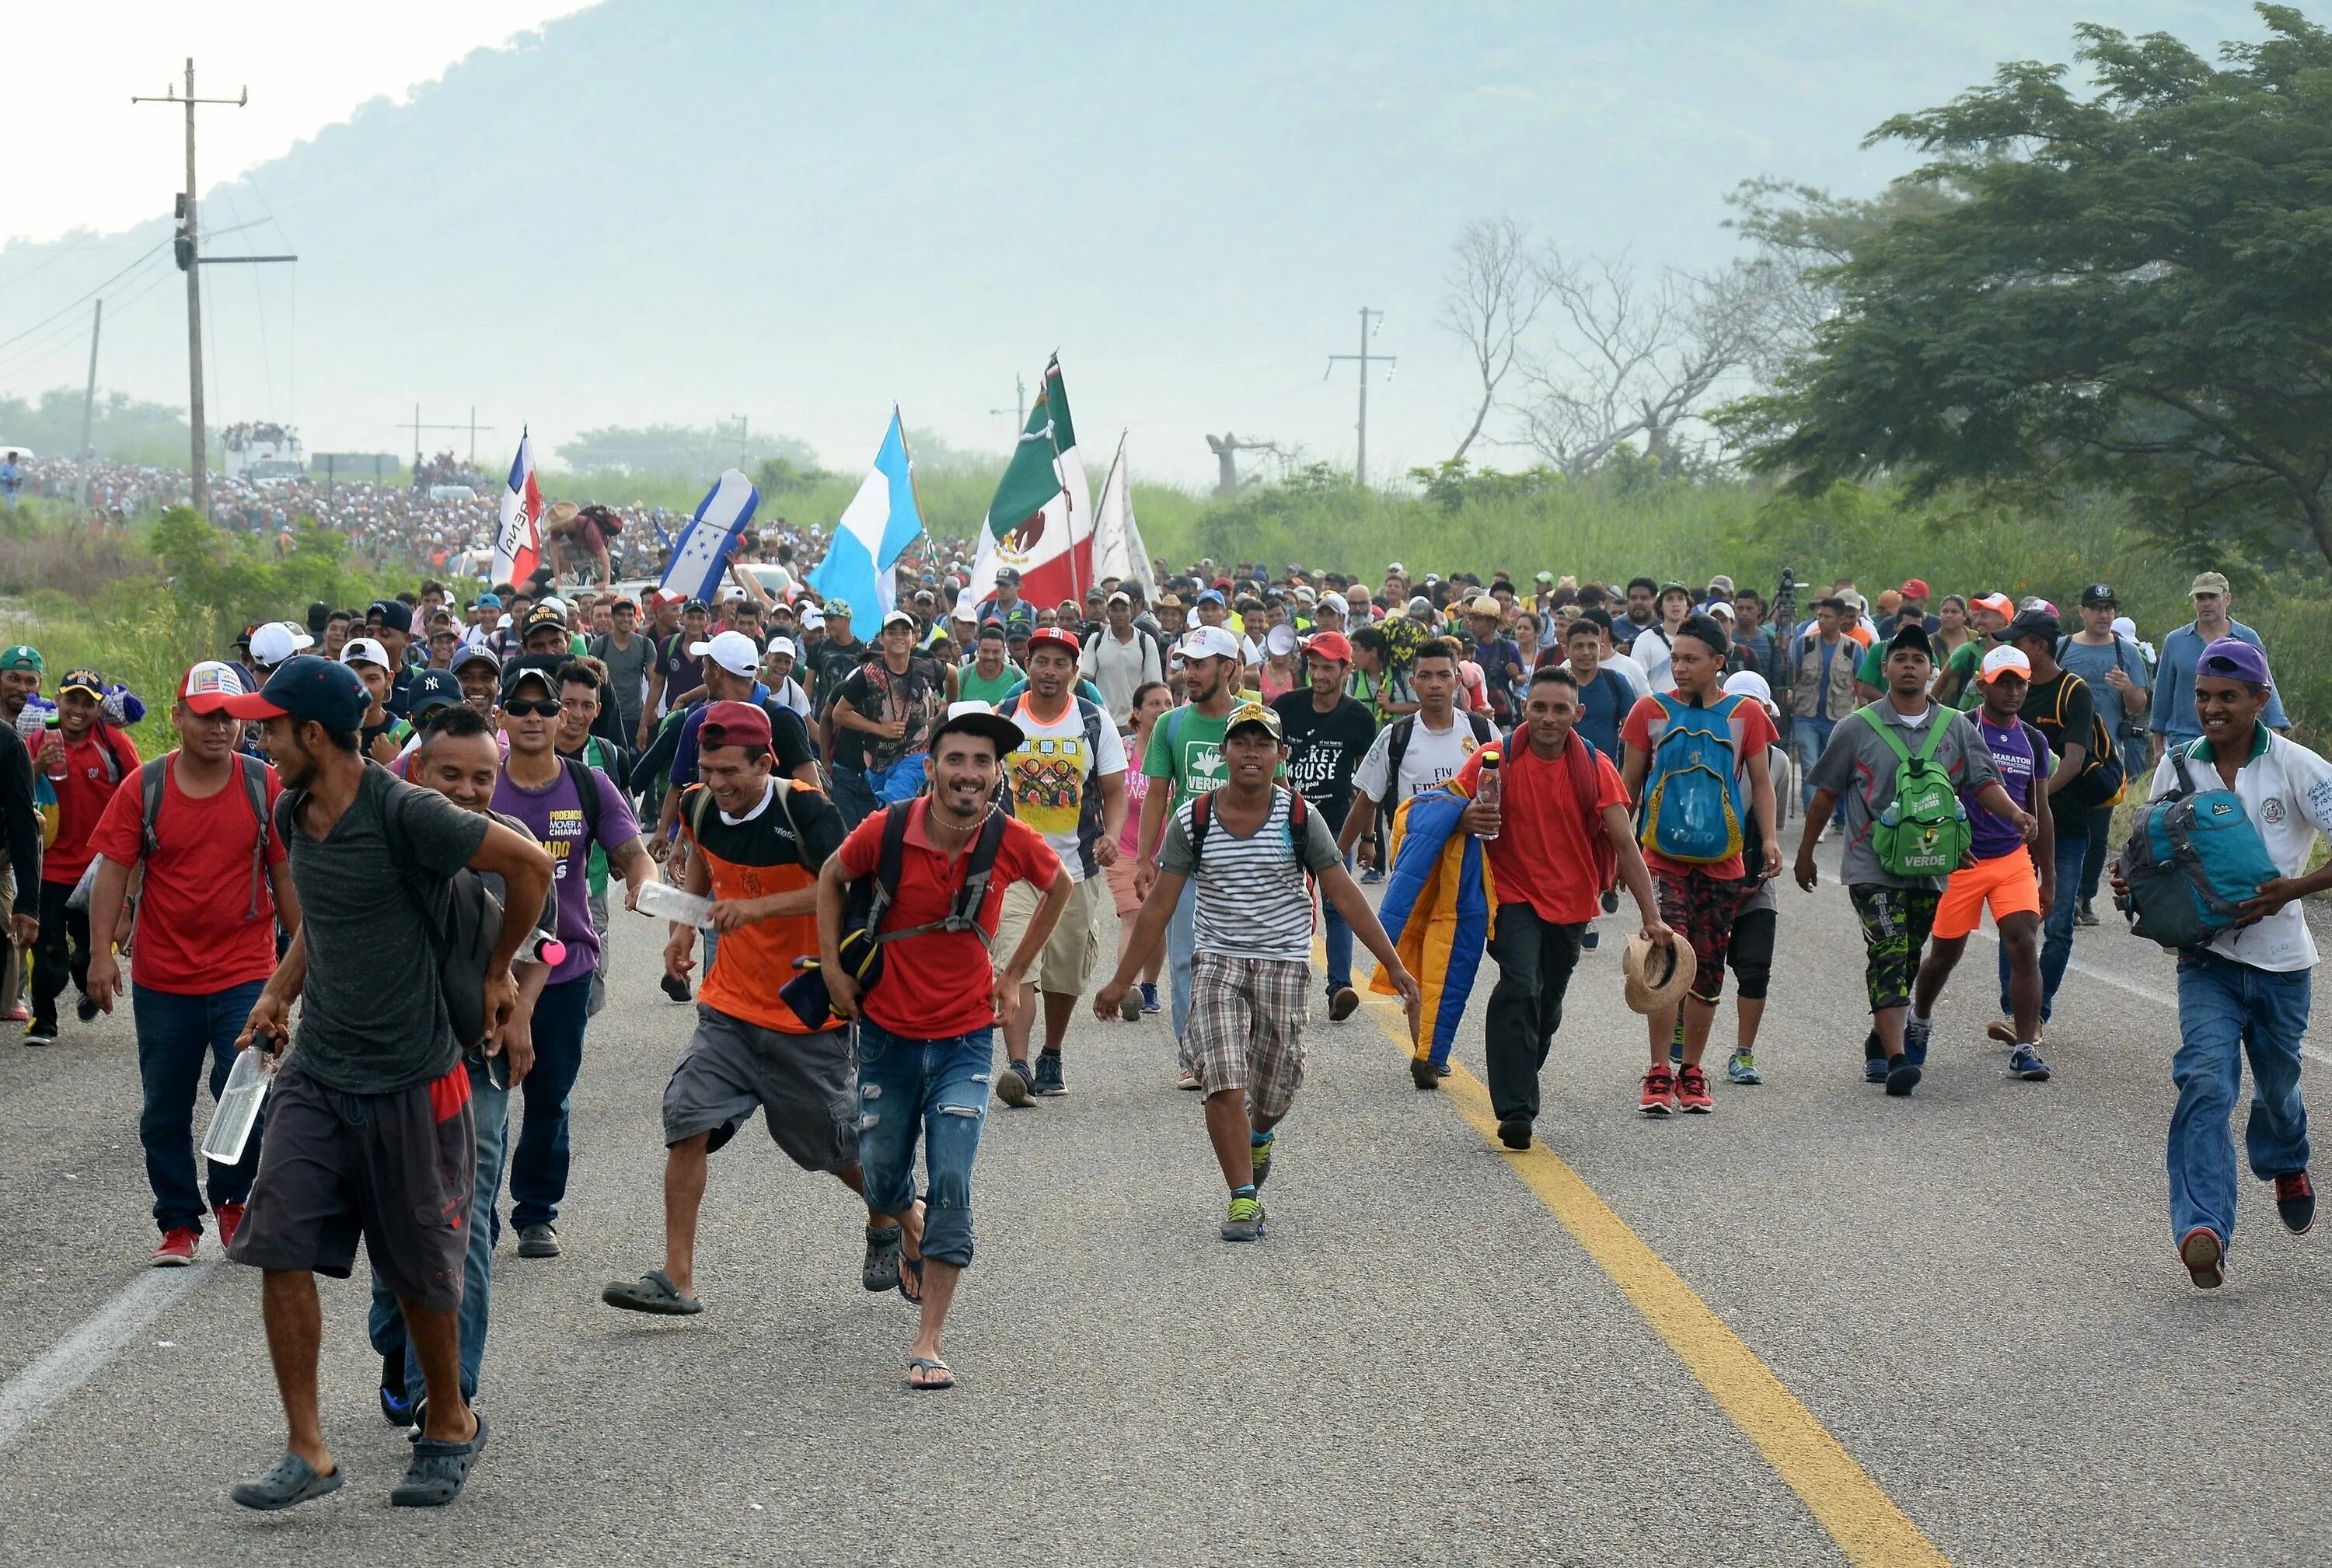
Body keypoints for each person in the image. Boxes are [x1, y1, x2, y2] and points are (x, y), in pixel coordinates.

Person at [221, 656, 551, 1510]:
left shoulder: (409, 813)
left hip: (415, 1080)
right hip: (319, 1073)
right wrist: (276, 992)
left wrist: (492, 974)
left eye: (270, 726)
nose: (261, 740)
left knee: (422, 1275)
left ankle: (451, 1422)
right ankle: (308, 1449)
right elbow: (324, 920)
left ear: (314, 734)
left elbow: (531, 868)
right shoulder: (294, 808)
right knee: (277, 1246)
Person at [602, 700, 892, 1317]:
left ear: (767, 761)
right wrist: (683, 928)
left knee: (834, 1148)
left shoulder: (807, 809)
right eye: (707, 769)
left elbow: (842, 885)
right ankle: (677, 1277)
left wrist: (758, 909)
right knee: (686, 1118)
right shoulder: (702, 806)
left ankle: (899, 1215)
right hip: (729, 1006)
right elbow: (706, 861)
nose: (717, 783)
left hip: (804, 1012)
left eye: (731, 770)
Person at [1097, 701, 1419, 1241]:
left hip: (1284, 964)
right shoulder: (1193, 819)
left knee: (1275, 1086)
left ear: (1280, 754)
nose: (1251, 753)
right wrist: (1122, 978)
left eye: (1262, 743)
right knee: (1222, 1075)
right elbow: (1158, 907)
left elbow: (1342, 891)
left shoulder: (1300, 816)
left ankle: (1261, 1132)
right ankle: (1243, 1198)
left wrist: (1392, 964)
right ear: (1222, 753)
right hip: (1218, 960)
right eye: (1240, 743)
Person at [818, 701, 1070, 1390]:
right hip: (887, 1036)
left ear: (996, 775)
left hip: (964, 1039)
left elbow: (1062, 885)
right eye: (955, 759)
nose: (968, 773)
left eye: (982, 762)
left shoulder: (1009, 838)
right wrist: (834, 971)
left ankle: (928, 1338)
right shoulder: (888, 827)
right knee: (881, 1171)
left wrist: (1013, 973)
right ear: (929, 767)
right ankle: (906, 1223)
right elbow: (831, 878)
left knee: (953, 1178)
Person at [365, 700, 556, 1429]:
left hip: (474, 1063)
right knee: (391, 1226)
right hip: (387, 1064)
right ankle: (400, 1345)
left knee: (463, 1219)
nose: (469, 791)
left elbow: (552, 944)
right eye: (451, 774)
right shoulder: (381, 840)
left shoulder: (512, 844)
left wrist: (516, 1004)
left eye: (483, 778)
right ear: (416, 770)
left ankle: (446, 1393)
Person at [2121, 638, 2332, 1290]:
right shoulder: (2179, 765)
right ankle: (2203, 1228)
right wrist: (2128, 880)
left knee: (2277, 1090)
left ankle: (2286, 1158)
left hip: (2282, 965)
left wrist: (2290, 890)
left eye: (2228, 697)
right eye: (2204, 697)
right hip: (2206, 960)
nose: (2213, 709)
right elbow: (2149, 845)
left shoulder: (2300, 766)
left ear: (2260, 700)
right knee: (2206, 1081)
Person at [83, 662, 298, 1265]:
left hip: (245, 973)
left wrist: (303, 967)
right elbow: (114, 872)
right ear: (178, 716)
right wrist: (100, 953)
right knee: (165, 1107)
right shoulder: (145, 786)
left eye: (229, 716)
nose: (218, 727)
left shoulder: (264, 786)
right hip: (164, 978)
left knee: (243, 1093)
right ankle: (178, 1221)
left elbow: (285, 876)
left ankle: (233, 1199)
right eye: (205, 714)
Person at [1796, 626, 2028, 1097]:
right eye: (1898, 658)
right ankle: (1898, 1058)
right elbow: (1825, 793)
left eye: (1917, 659)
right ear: (1885, 670)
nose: (1907, 666)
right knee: (1887, 947)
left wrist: (2016, 813)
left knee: (1907, 958)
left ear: (1930, 670)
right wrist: (1805, 854)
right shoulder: (1857, 727)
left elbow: (1983, 783)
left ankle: (1880, 1039)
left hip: (1928, 867)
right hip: (1869, 866)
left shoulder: (1956, 727)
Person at [1462, 669, 1671, 1146]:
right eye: (1539, 707)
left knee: (1547, 1005)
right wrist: (1463, 815)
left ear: (1578, 714)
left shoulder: (1594, 767)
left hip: (1573, 905)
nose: (1548, 718)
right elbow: (1445, 808)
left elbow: (1624, 843)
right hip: (1511, 897)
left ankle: (1519, 1065)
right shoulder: (1494, 760)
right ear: (1523, 709)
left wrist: (1651, 915)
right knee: (1520, 985)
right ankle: (1516, 1110)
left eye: (1560, 709)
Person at [493, 660, 651, 1259]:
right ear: (502, 717)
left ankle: (536, 1212)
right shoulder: (484, 782)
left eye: (546, 707)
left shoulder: (589, 785)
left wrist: (643, 880)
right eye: (522, 707)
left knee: (548, 1098)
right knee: (484, 1103)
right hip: (487, 970)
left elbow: (632, 852)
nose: (535, 717)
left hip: (566, 969)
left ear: (565, 716)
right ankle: (479, 1212)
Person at [1618, 616, 1781, 1116]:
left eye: (1692, 659)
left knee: (1708, 971)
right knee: (1667, 960)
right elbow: (1628, 789)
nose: (1681, 667)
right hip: (1660, 860)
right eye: (1676, 658)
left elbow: (1762, 781)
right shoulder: (1649, 710)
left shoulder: (1746, 714)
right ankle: (1658, 1072)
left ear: (1719, 662)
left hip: (1723, 863)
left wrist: (1771, 839)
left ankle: (1692, 1071)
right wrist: (1614, 855)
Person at [1904, 645, 2057, 1081]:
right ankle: (1920, 1018)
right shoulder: (1959, 727)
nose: (2012, 691)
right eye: (2003, 682)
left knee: (2024, 942)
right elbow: (1931, 792)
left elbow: (2041, 810)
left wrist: (2048, 877)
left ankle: (2026, 1046)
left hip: (2011, 857)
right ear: (1982, 684)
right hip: (1962, 861)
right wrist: (1944, 844)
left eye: (2020, 683)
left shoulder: (2034, 740)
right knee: (1944, 955)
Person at [992, 629, 1127, 1103]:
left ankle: (1051, 1052)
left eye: (1059, 664)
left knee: (1064, 973)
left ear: (1074, 671)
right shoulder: (1004, 718)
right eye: (1041, 662)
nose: (1050, 672)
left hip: (1074, 870)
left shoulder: (1093, 721)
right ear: (1027, 665)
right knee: (1015, 960)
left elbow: (1114, 791)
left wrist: (1111, 835)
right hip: (1012, 868)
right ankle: (1019, 1066)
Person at [1136, 625, 1244, 1087]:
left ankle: (1237, 1046)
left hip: (1244, 860)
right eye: (1186, 664)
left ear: (1228, 668)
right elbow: (1157, 795)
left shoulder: (1253, 720)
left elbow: (1278, 790)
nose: (1190, 673)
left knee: (1242, 957)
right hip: (1186, 861)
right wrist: (1145, 859)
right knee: (1186, 958)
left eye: (1200, 665)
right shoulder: (1171, 723)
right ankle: (1193, 1057)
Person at [1998, 609, 2110, 1042]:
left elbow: (2076, 760)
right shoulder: (2008, 692)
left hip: (2068, 827)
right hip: (2017, 832)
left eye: (2018, 641)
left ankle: (2038, 1013)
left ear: (2038, 647)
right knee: (2017, 922)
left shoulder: (2073, 693)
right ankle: (2016, 1013)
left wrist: (2033, 801)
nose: (2009, 650)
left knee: (2059, 923)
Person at [29, 666, 140, 1044]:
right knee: (48, 948)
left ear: (98, 708)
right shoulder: (38, 741)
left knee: (87, 948)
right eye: (71, 699)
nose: (77, 709)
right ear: (56, 700)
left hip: (97, 869)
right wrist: (37, 766)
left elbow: (141, 792)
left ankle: (87, 980)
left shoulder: (113, 744)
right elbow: (12, 789)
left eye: (87, 703)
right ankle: (43, 1023)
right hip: (50, 866)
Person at [1272, 631, 1379, 1020]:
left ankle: (1339, 988)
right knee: (1286, 904)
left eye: (1327, 668)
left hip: (1335, 826)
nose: (1319, 675)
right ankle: (1283, 986)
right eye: (1314, 667)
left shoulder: (1359, 718)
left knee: (1338, 907)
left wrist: (1368, 838)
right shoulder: (1285, 707)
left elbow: (1370, 786)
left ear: (1346, 669)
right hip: (1285, 822)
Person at [1336, 640, 1496, 878]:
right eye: (1425, 676)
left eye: (1443, 675)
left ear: (1457, 681)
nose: (1435, 685)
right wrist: (1336, 862)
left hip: (1471, 866)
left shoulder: (1483, 732)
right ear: (1413, 683)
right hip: (1412, 865)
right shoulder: (1395, 736)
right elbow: (1366, 800)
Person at [2056, 584, 2152, 925]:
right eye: (2096, 607)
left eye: (2109, 608)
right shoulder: (2062, 647)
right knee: (2060, 826)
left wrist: (2128, 689)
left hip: (2106, 757)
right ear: (2082, 611)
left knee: (2097, 834)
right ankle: (2059, 895)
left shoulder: (2127, 653)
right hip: (2062, 753)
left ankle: (2084, 897)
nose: (2104, 614)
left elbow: (2140, 705)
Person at [2149, 571, 2288, 762]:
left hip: (2237, 741)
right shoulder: (2175, 641)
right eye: (2200, 597)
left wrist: (2275, 732)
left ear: (2227, 599)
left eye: (2212, 597)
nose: (2206, 603)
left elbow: (2266, 687)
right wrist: (2158, 746)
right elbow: (2162, 695)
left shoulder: (2247, 638)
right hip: (2187, 741)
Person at [827, 610, 947, 828]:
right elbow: (838, 714)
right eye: (892, 632)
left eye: (905, 632)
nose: (899, 636)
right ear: (882, 639)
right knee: (887, 810)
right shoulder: (866, 675)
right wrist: (879, 729)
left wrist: (943, 710)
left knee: (895, 801)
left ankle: (883, 834)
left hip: (916, 753)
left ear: (914, 638)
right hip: (877, 759)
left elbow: (954, 675)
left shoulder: (926, 667)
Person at [1107, 681, 1175, 1016]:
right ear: (1136, 713)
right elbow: (1106, 792)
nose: (1163, 709)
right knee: (1132, 916)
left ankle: (1149, 986)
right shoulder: (1122, 749)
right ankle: (1128, 987)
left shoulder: (1178, 748)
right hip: (1125, 849)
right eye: (1155, 704)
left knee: (1158, 919)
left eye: (1168, 703)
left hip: (1170, 851)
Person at [1783, 597, 1858, 831]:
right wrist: (1789, 692)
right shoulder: (1803, 644)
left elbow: (1860, 683)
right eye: (1819, 616)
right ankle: (1815, 821)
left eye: (1827, 616)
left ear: (1840, 619)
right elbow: (1791, 675)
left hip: (1839, 717)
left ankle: (1840, 817)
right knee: (1810, 768)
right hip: (1807, 715)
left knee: (1837, 770)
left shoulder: (1853, 648)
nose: (1822, 620)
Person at [1560, 613, 1642, 760]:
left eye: (1592, 646)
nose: (1586, 652)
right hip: (1562, 772)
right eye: (1579, 646)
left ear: (1601, 649)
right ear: (1566, 650)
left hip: (1605, 773)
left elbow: (1634, 735)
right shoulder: (1556, 684)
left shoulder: (1616, 682)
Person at [1080, 590, 1164, 724]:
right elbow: (1086, 682)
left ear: (1131, 612)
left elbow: (1154, 686)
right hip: (1104, 720)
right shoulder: (1096, 640)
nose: (1119, 614)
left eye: (1124, 609)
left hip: (1137, 720)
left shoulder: (1146, 642)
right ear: (1108, 613)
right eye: (1114, 610)